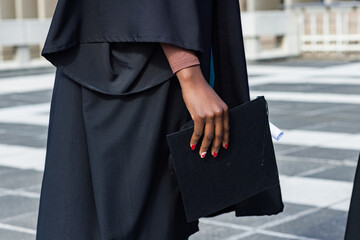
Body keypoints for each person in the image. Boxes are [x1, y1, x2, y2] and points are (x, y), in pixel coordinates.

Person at [35, 0, 256, 239]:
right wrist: (188, 71)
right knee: (135, 218)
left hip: (146, 54)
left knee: (102, 214)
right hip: (144, 64)